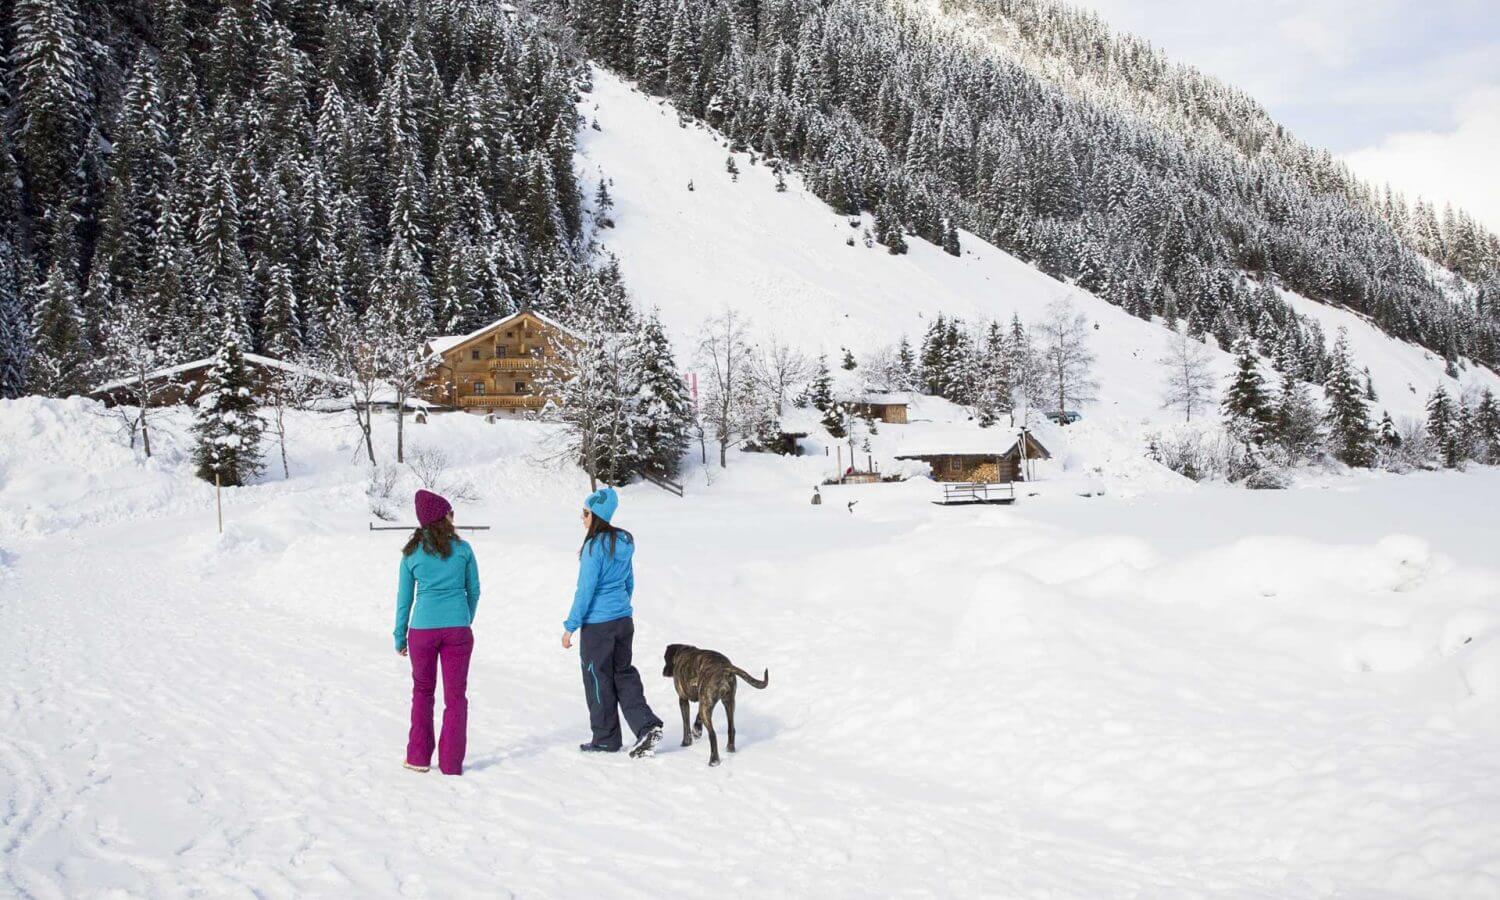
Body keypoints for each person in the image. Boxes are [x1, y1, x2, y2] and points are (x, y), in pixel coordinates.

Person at [562, 487, 664, 758]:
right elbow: (628, 581)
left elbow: (585, 591)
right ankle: (646, 726)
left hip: (598, 626)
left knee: (598, 680)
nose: (582, 518)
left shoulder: (594, 547)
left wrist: (570, 626)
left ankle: (606, 739)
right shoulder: (623, 542)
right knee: (624, 674)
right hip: (622, 620)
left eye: (585, 513)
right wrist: (621, 607)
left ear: (595, 515)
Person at [395, 489, 480, 775]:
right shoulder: (464, 550)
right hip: (457, 630)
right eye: (450, 513)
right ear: (443, 517)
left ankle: (418, 757)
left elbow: (404, 600)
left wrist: (399, 636)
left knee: (422, 692)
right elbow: (475, 591)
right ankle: (451, 762)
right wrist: (464, 618)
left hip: (422, 631)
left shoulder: (411, 554)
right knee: (456, 697)